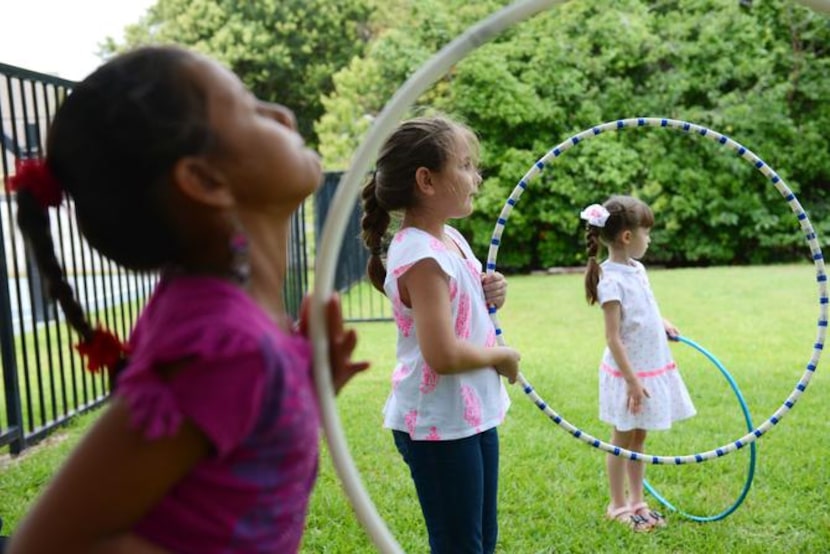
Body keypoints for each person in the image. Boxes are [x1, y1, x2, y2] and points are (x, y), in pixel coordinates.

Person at [6, 45, 368, 554]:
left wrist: (300, 392)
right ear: (204, 180)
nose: (282, 114)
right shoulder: (227, 347)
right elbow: (48, 544)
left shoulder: (231, 325)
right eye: (249, 107)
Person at [360, 115, 521, 554]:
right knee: (459, 546)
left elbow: (465, 312)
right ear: (426, 180)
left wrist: (493, 294)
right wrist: (500, 357)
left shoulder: (449, 240)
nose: (477, 175)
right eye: (466, 165)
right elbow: (442, 355)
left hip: (469, 413)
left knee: (481, 541)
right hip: (438, 425)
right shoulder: (420, 255)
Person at [581, 195, 696, 532]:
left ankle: (637, 502)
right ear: (627, 237)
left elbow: (644, 307)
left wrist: (661, 321)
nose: (651, 239)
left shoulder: (637, 269)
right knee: (621, 440)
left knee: (640, 439)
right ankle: (617, 505)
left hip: (651, 367)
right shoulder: (610, 279)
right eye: (647, 233)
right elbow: (613, 337)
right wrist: (631, 381)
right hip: (628, 374)